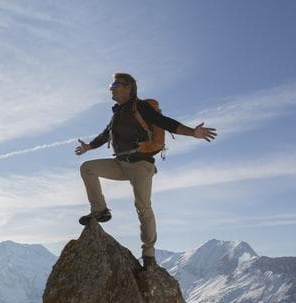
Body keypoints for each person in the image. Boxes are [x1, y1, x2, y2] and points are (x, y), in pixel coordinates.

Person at [75, 73, 217, 270]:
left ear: (129, 88)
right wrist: (89, 147)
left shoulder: (140, 107)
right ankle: (100, 211)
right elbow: (106, 134)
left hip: (141, 165)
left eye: (115, 84)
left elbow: (164, 122)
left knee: (143, 207)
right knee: (87, 168)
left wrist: (192, 132)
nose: (111, 88)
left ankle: (149, 255)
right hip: (121, 163)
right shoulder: (117, 113)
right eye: (111, 85)